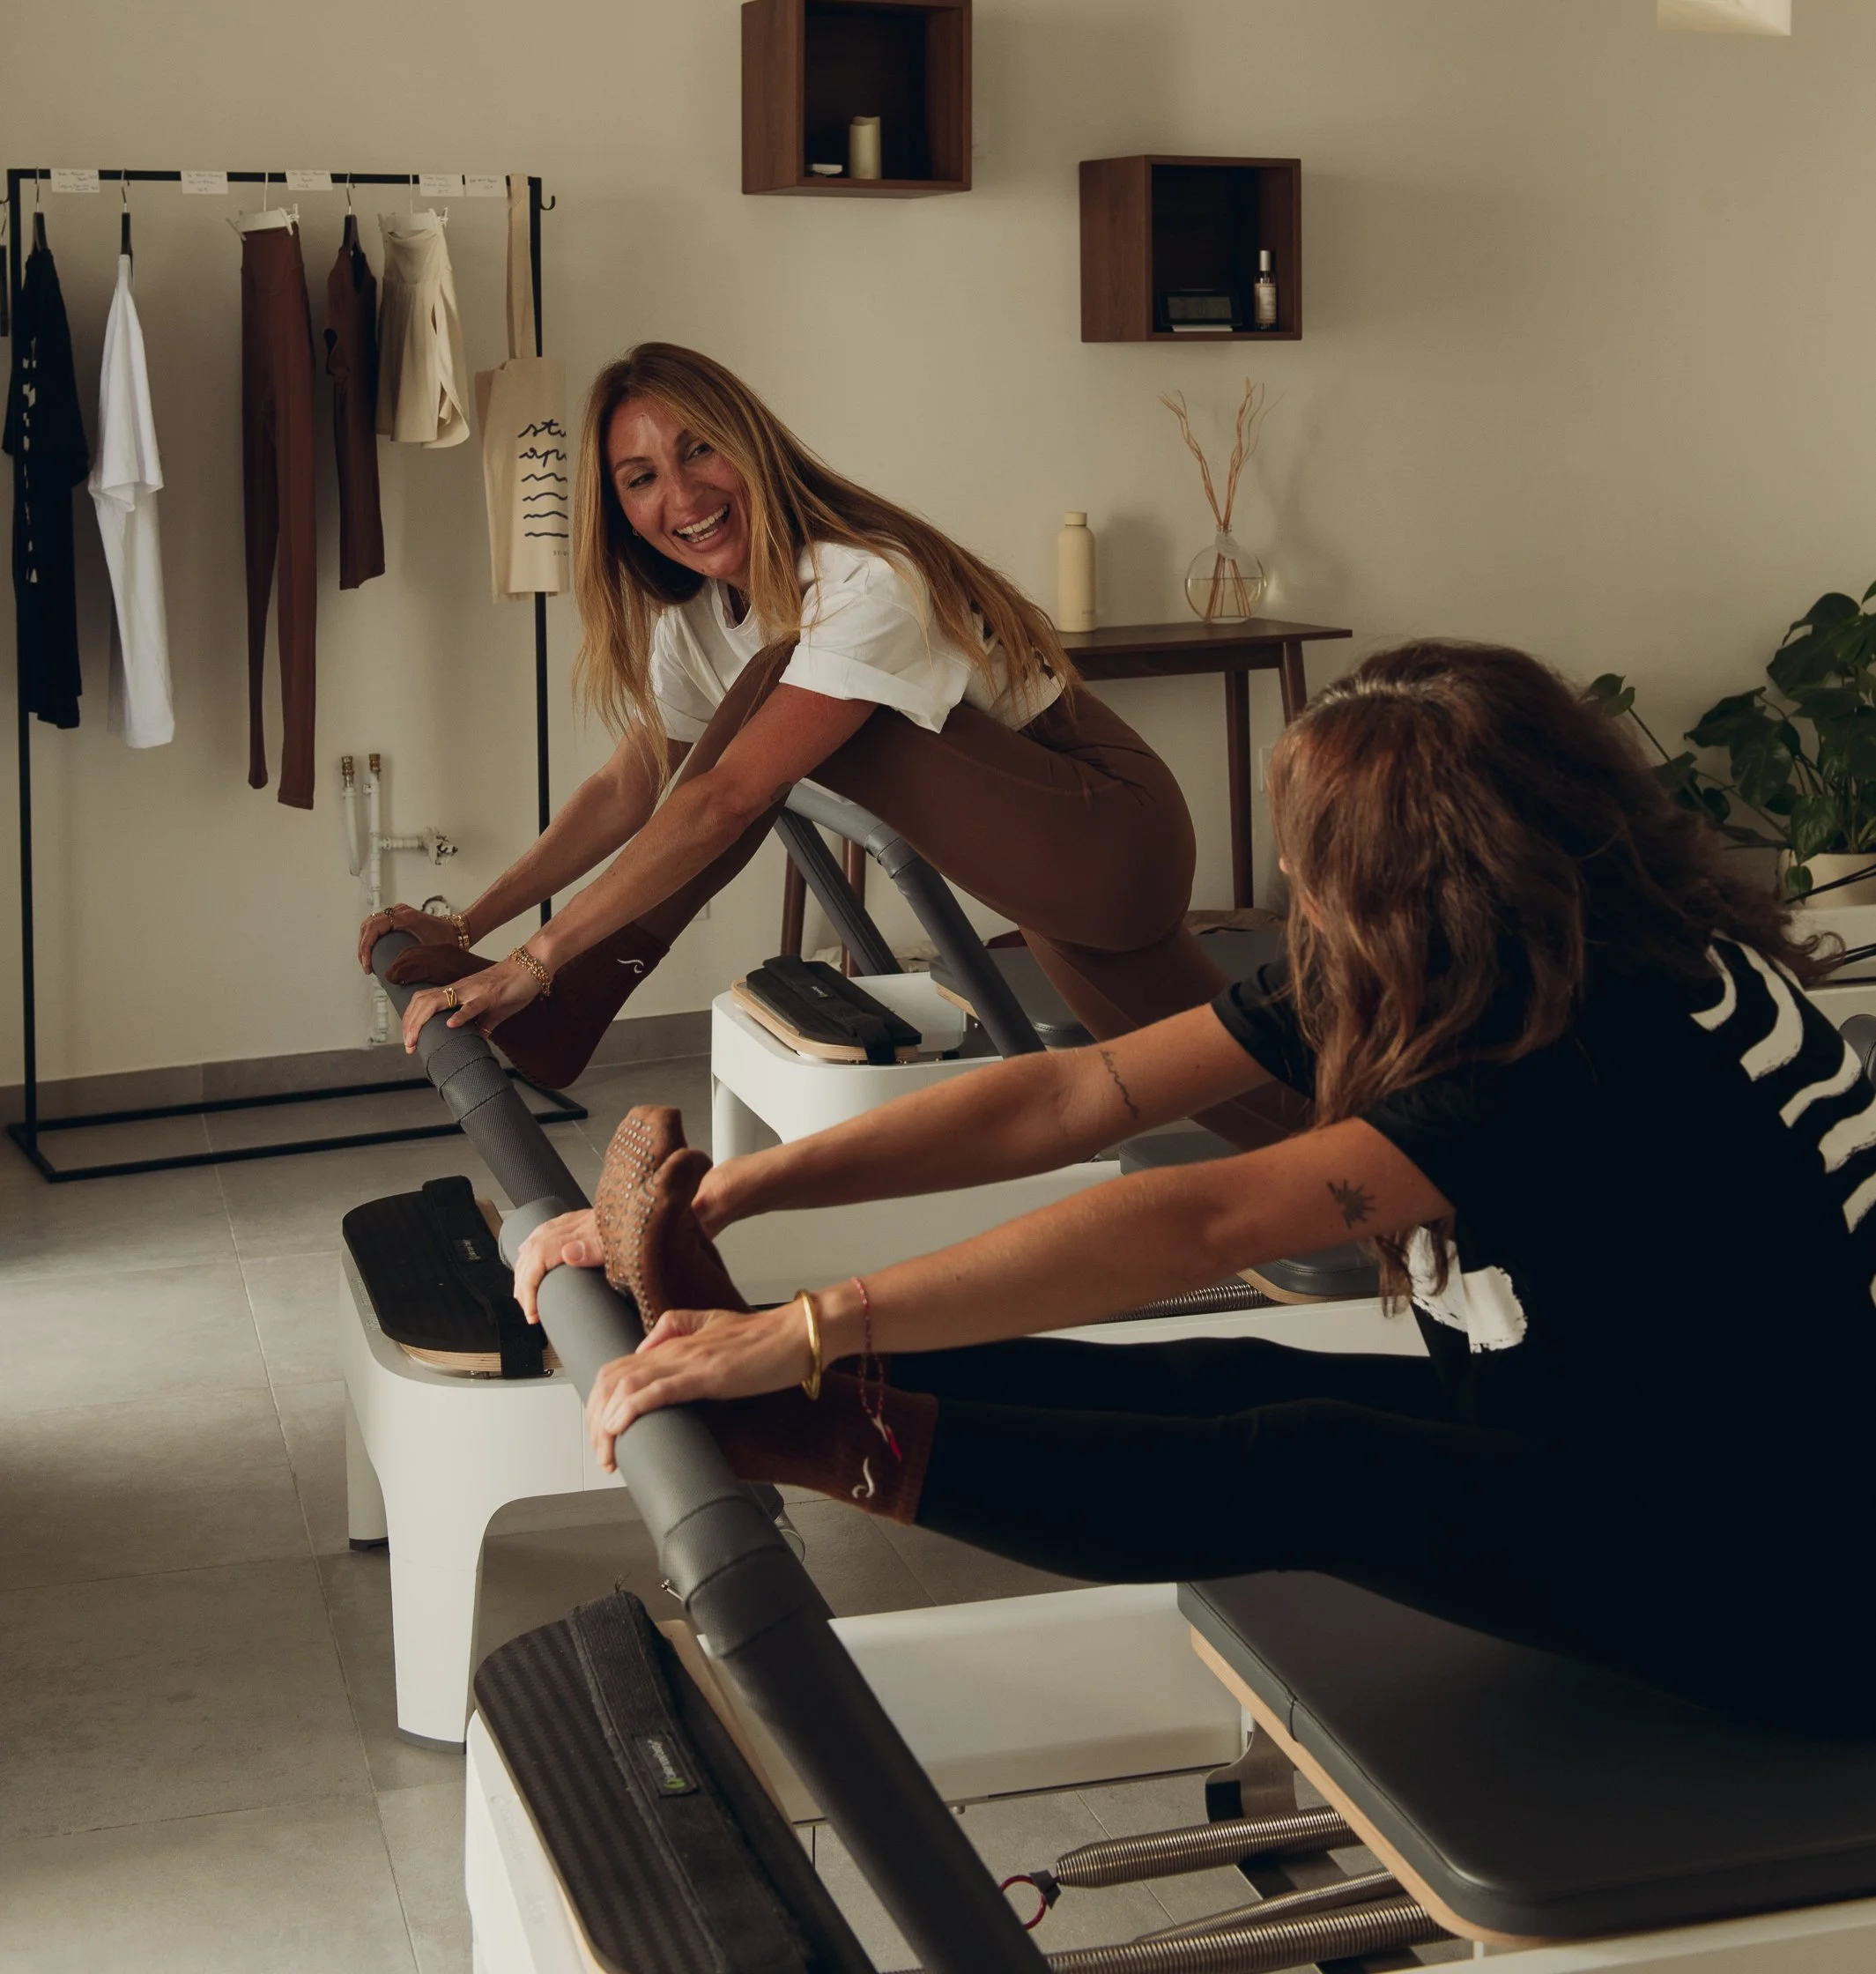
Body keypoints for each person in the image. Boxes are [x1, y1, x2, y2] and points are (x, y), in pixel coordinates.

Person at [516, 639, 1876, 1738]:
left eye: (1318, 860)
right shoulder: (1500, 951)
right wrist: (739, 1197)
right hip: (1636, 1438)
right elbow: (1074, 1092)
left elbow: (1204, 1218)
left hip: (1793, 1583)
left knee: (1311, 1462)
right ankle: (811, 1412)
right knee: (1234, 1373)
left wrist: (816, 1320)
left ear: (1438, 878)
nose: (1292, 882)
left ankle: (812, 1429)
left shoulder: (1594, 1041)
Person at [360, 343, 1241, 1090]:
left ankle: (582, 999)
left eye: (699, 450)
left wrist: (536, 961)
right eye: (641, 478)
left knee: (779, 681)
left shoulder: (864, 578)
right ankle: (1364, 1178)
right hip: (1038, 864)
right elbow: (625, 787)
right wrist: (471, 924)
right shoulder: (696, 617)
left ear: (749, 444)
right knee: (1214, 1081)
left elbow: (726, 796)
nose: (682, 496)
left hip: (1105, 826)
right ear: (620, 512)